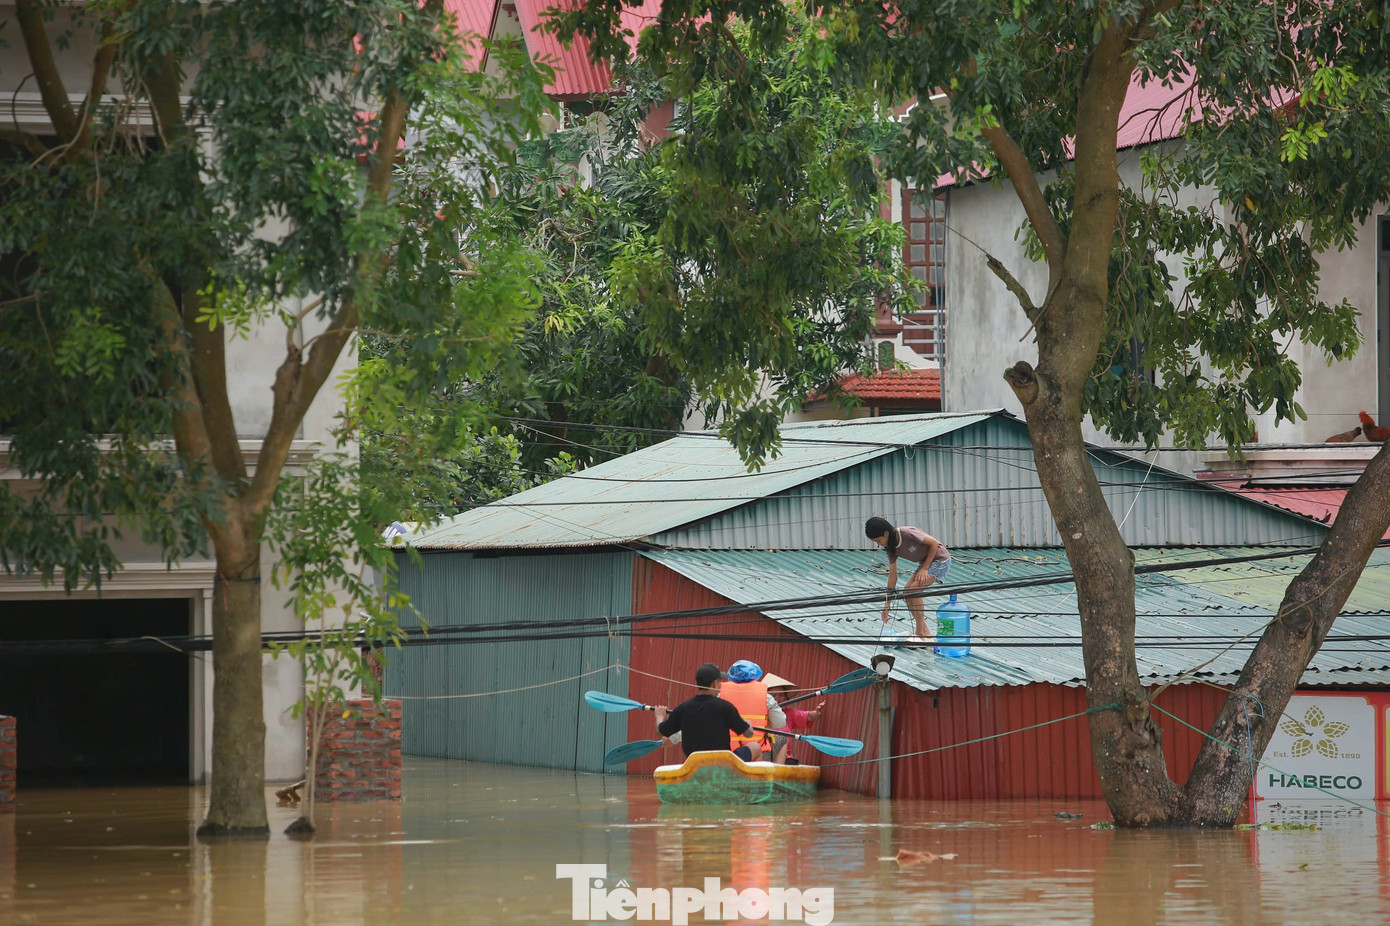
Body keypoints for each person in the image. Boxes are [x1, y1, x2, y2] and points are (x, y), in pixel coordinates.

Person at [663, 660, 785, 757]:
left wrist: (672, 739)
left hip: (723, 752)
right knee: (781, 738)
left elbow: (696, 721)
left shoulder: (719, 695)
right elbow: (780, 722)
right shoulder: (766, 696)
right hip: (747, 753)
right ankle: (774, 780)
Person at [865, 515, 951, 644]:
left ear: (886, 533)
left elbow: (934, 543)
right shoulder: (890, 548)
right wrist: (887, 605)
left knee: (914, 591)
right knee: (906, 593)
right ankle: (926, 635)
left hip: (940, 560)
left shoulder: (907, 533)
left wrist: (925, 568)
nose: (878, 544)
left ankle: (919, 633)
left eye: (878, 540)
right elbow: (892, 576)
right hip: (925, 563)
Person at [762, 673, 825, 765]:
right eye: (773, 696)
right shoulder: (758, 714)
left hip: (785, 759)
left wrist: (818, 712)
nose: (777, 699)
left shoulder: (789, 714)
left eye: (781, 695)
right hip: (763, 756)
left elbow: (810, 717)